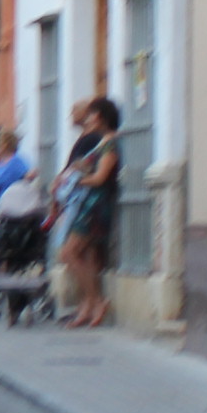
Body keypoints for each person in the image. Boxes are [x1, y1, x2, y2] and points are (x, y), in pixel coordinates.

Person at [57, 98, 129, 329]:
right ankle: (88, 304)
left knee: (68, 253)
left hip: (95, 205)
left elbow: (100, 178)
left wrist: (76, 180)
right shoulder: (103, 142)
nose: (87, 119)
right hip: (89, 203)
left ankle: (96, 300)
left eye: (91, 114)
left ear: (100, 117)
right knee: (84, 255)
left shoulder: (110, 144)